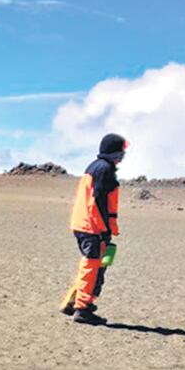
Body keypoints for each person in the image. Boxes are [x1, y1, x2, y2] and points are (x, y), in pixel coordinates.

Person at [59, 133, 128, 325]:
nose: (123, 156)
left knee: (91, 266)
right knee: (92, 267)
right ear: (114, 152)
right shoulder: (104, 169)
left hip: (84, 225)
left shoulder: (95, 166)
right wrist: (103, 229)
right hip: (92, 228)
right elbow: (96, 203)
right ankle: (82, 309)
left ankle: (74, 302)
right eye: (121, 152)